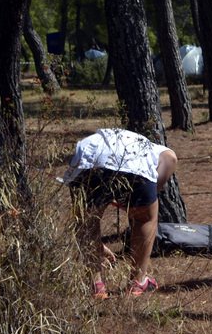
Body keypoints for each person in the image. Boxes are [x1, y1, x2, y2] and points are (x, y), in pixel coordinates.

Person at [64, 128, 178, 299]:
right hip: (132, 164)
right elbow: (171, 159)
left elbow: (80, 218)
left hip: (89, 160)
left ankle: (96, 286)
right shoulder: (160, 151)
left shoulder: (101, 140)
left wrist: (96, 244)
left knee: (87, 220)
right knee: (145, 218)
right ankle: (138, 282)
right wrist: (140, 204)